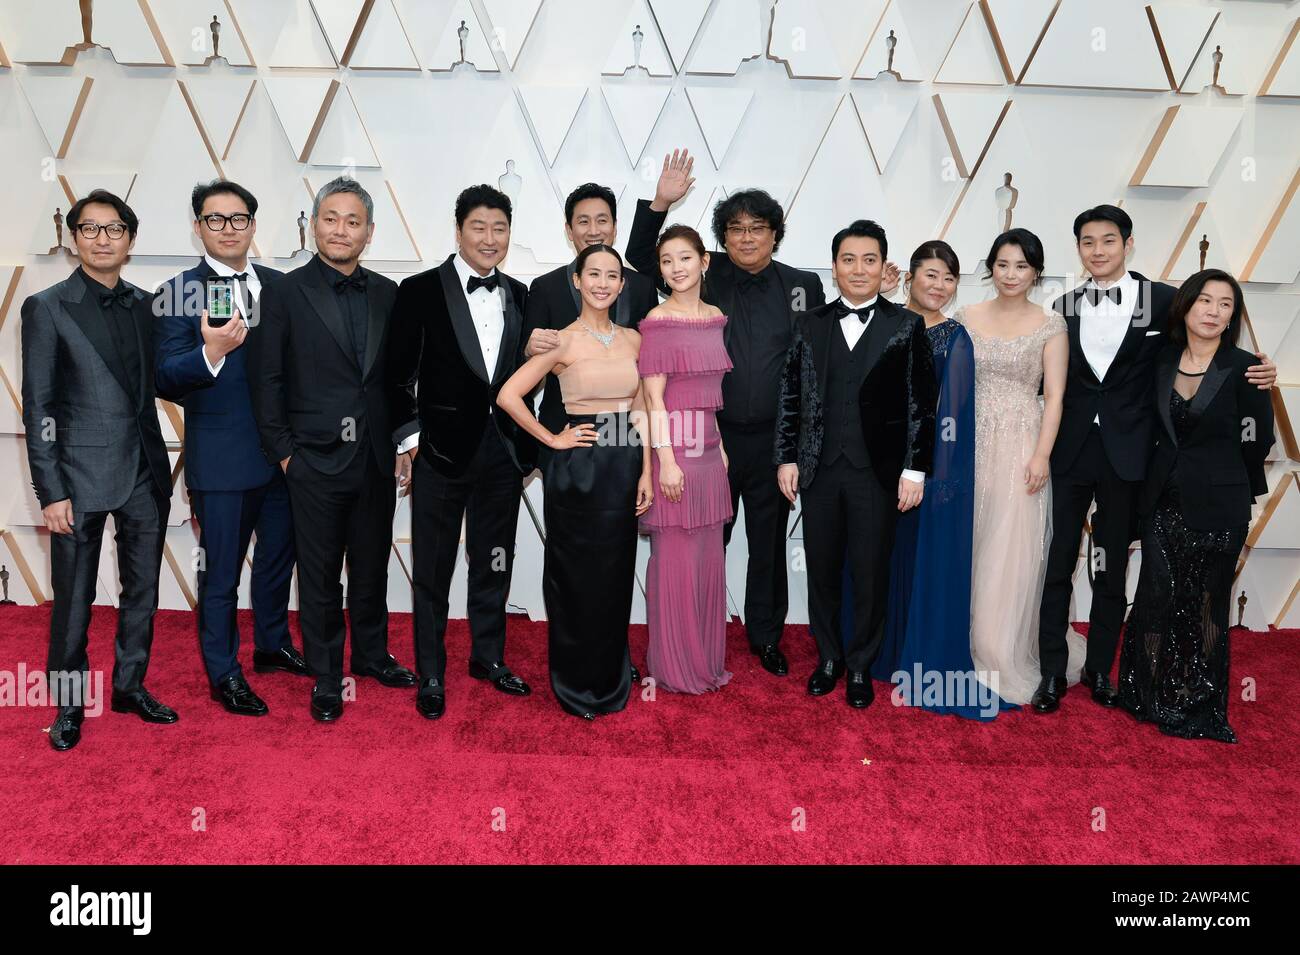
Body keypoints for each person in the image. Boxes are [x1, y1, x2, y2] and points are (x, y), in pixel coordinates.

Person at [1036, 205, 1276, 714]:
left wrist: (1259, 371)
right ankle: (1051, 673)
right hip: (1070, 453)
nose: (1097, 251)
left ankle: (1101, 670)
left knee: (1111, 569)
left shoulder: (1165, 302)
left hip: (1131, 458)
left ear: (1128, 244)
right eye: (1087, 243)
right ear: (1078, 249)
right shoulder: (1062, 307)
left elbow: (1205, 352)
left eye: (1107, 241)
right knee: (1056, 565)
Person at [627, 149, 826, 679]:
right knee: (698, 543)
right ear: (721, 240)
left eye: (757, 228)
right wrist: (659, 204)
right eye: (735, 229)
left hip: (771, 443)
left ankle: (765, 637)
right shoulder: (704, 279)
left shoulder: (804, 286)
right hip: (704, 441)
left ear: (775, 234)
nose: (746, 238)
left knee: (768, 543)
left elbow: (814, 366)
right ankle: (690, 640)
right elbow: (645, 261)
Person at [247, 177, 417, 724]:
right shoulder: (284, 292)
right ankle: (326, 673)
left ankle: (370, 655)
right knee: (319, 574)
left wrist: (402, 442)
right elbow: (266, 377)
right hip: (312, 460)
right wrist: (285, 454)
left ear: (369, 232)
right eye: (330, 218)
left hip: (373, 456)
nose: (340, 229)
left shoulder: (391, 295)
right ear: (314, 224)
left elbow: (397, 381)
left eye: (352, 221)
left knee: (371, 566)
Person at [21, 189, 176, 751]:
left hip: (143, 474)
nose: (103, 239)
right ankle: (67, 705)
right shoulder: (47, 306)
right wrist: (50, 489)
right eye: (90, 229)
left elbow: (159, 384)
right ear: (73, 238)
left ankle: (131, 686)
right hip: (77, 481)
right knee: (73, 601)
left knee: (142, 591)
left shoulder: (144, 304)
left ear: (130, 240)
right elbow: (38, 408)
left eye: (115, 230)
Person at [154, 179, 306, 718]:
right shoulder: (177, 291)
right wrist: (210, 352)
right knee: (219, 573)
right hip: (221, 460)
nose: (227, 228)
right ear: (197, 226)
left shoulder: (280, 285)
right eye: (215, 219)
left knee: (276, 561)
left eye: (238, 218)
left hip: (284, 456)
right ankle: (224, 672)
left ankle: (270, 645)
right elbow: (165, 376)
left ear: (253, 225)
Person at [388, 185, 536, 720]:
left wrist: (529, 448)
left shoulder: (521, 294)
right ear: (459, 231)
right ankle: (430, 670)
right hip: (441, 455)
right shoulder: (420, 290)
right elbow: (396, 375)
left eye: (499, 229)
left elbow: (529, 379)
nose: (489, 239)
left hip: (502, 456)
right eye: (479, 227)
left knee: (494, 562)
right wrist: (412, 440)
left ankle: (488, 658)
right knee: (432, 567)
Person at [774, 220, 936, 708]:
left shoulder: (906, 326)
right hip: (819, 470)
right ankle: (829, 658)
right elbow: (790, 398)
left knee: (869, 570)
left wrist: (914, 469)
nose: (858, 269)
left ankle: (862, 665)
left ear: (884, 266)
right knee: (821, 568)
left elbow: (921, 403)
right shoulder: (809, 324)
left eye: (869, 260)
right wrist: (785, 458)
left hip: (877, 473)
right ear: (835, 266)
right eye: (849, 259)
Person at [496, 244, 652, 719]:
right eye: (593, 274)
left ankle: (611, 671)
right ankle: (575, 681)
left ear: (622, 284)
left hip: (623, 462)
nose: (603, 283)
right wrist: (552, 439)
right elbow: (508, 395)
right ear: (577, 281)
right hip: (578, 469)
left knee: (614, 574)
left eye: (612, 275)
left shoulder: (636, 340)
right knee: (573, 576)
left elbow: (643, 409)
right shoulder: (561, 340)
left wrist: (646, 470)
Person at [1119, 270, 1273, 743]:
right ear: (1185, 307)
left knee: (1206, 605)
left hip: (1219, 505)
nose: (1212, 311)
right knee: (1156, 597)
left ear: (1233, 316)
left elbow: (1258, 439)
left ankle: (1196, 701)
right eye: (1204, 300)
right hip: (1162, 500)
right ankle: (1143, 693)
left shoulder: (1247, 368)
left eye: (1225, 304)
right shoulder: (1160, 359)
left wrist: (1220, 477)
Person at [954, 229, 1077, 706]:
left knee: (1007, 550)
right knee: (970, 541)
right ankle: (957, 645)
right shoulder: (966, 317)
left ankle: (997, 649)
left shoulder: (1050, 324)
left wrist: (1042, 455)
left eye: (1022, 267)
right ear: (990, 267)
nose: (1011, 275)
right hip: (969, 441)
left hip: (1021, 445)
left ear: (1036, 272)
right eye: (1003, 265)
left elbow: (1056, 396)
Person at [858, 241, 966, 682]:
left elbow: (952, 411)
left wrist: (936, 470)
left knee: (911, 556)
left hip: (922, 466)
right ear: (910, 277)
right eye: (931, 275)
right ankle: (863, 646)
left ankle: (904, 647)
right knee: (869, 557)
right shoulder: (882, 321)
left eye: (949, 277)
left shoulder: (954, 335)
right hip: (869, 462)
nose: (939, 286)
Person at [639, 225, 733, 694]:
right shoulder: (657, 321)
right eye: (666, 261)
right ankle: (675, 665)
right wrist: (667, 461)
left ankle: (705, 660)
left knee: (706, 563)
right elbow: (654, 400)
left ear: (704, 262)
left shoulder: (716, 316)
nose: (676, 268)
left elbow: (712, 396)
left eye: (684, 258)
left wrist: (724, 451)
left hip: (711, 456)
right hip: (675, 452)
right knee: (674, 562)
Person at [523, 183, 657, 471]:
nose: (594, 229)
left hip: (627, 441)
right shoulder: (545, 287)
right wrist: (529, 349)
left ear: (615, 227)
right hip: (565, 435)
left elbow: (650, 369)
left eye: (602, 220)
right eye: (583, 221)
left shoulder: (643, 286)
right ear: (569, 231)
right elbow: (524, 359)